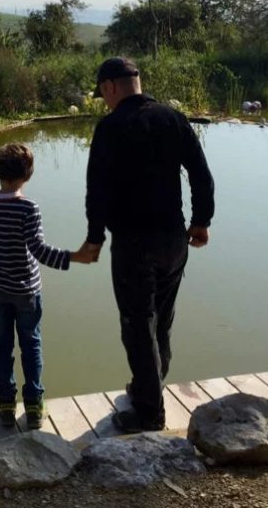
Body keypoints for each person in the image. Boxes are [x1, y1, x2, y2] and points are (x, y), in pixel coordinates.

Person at [79, 57, 215, 433]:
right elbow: (201, 173)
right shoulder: (173, 118)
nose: (105, 101)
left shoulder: (110, 127)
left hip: (134, 244)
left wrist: (94, 238)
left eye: (103, 94)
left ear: (110, 87)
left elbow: (97, 189)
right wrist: (201, 221)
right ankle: (147, 388)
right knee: (162, 321)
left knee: (137, 325)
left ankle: (149, 413)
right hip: (173, 239)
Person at [0, 143, 92, 430]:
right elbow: (38, 250)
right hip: (26, 291)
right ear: (27, 174)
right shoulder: (28, 207)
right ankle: (34, 406)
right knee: (31, 345)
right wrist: (73, 257)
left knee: (2, 346)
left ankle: (5, 404)